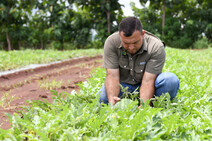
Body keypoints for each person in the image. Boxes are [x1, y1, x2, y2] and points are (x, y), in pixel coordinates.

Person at [97, 16, 179, 105]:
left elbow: (148, 80)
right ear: (120, 36)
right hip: (124, 87)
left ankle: (153, 104)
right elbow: (112, 76)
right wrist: (112, 101)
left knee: (170, 80)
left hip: (147, 86)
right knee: (102, 97)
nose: (131, 47)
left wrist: (143, 106)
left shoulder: (155, 46)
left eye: (135, 42)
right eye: (126, 43)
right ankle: (124, 101)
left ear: (143, 34)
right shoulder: (112, 42)